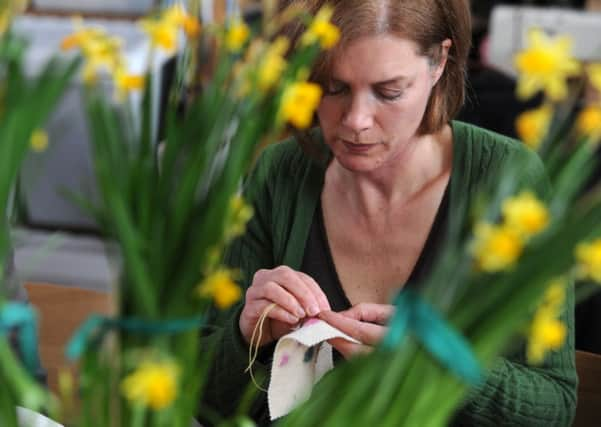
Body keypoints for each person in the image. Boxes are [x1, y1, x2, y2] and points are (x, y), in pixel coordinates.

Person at [198, 0, 577, 425]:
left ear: (439, 62)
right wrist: (246, 334)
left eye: (389, 91)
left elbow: (554, 408)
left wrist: (436, 364)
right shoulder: (280, 173)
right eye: (333, 87)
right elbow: (207, 395)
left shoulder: (506, 179)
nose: (356, 121)